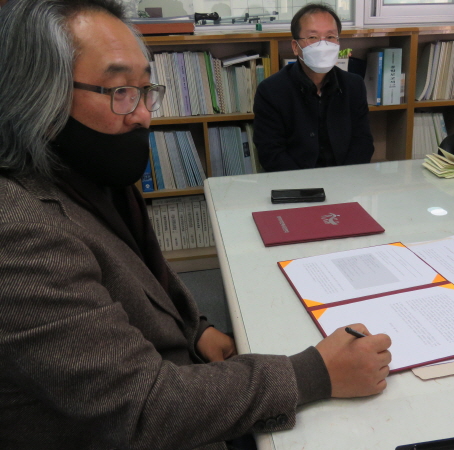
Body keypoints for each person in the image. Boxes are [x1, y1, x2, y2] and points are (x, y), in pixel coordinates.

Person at [0, 1, 392, 449]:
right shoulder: (18, 233)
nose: (143, 114)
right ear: (35, 95)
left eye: (146, 89)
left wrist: (197, 328)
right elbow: (142, 410)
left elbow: (145, 281)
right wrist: (314, 373)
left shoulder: (91, 175)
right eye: (120, 90)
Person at [252, 3, 374, 172]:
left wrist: (344, 179)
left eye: (330, 37)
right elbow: (271, 153)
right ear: (295, 47)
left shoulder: (353, 85)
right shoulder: (271, 91)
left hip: (345, 179)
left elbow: (363, 142)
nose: (323, 45)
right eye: (313, 37)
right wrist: (307, 184)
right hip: (294, 182)